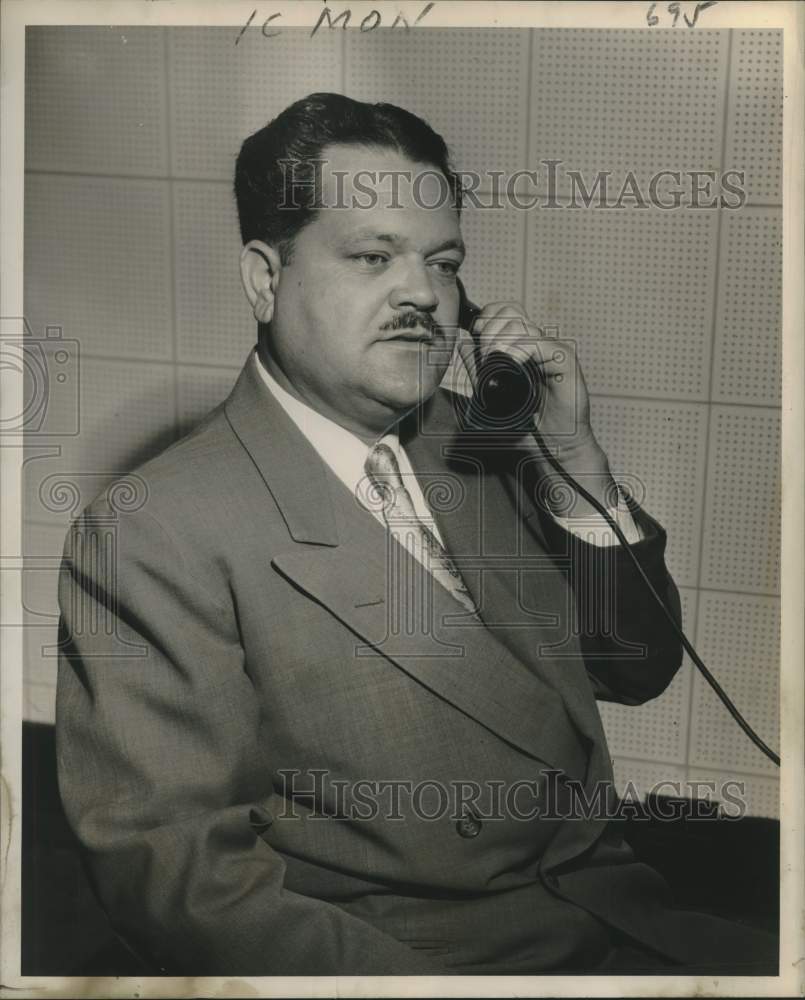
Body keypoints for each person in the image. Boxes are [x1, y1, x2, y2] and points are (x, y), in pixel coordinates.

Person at [56, 92, 776, 976]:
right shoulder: (153, 532)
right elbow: (180, 883)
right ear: (263, 278)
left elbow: (639, 665)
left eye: (443, 263)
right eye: (372, 257)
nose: (423, 296)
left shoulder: (491, 443)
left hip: (628, 915)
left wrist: (574, 462)